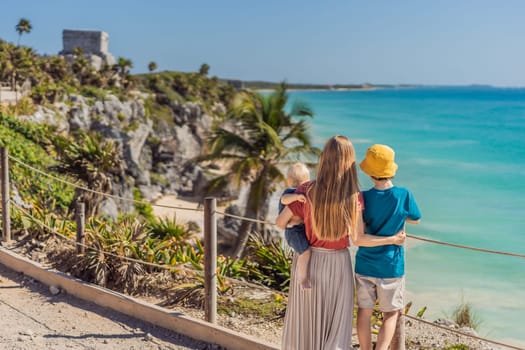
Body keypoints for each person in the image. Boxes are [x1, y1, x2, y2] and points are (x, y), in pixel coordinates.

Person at [276, 136, 406, 350]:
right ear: (349, 163)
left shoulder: (307, 190)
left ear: (324, 159)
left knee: (307, 326)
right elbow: (358, 238)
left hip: (310, 261)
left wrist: (301, 218)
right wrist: (392, 239)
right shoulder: (353, 198)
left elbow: (281, 223)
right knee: (336, 329)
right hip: (338, 265)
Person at [356, 144, 422, 350]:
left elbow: (362, 225)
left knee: (364, 312)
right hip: (390, 266)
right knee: (391, 314)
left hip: (365, 263)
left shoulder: (363, 197)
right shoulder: (403, 195)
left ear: (370, 173)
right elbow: (415, 219)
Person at [279, 162, 311, 289]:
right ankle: (303, 279)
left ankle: (302, 275)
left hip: (297, 228)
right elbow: (284, 199)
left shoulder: (299, 192)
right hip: (293, 230)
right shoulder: (291, 192)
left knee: (303, 253)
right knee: (305, 252)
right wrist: (297, 197)